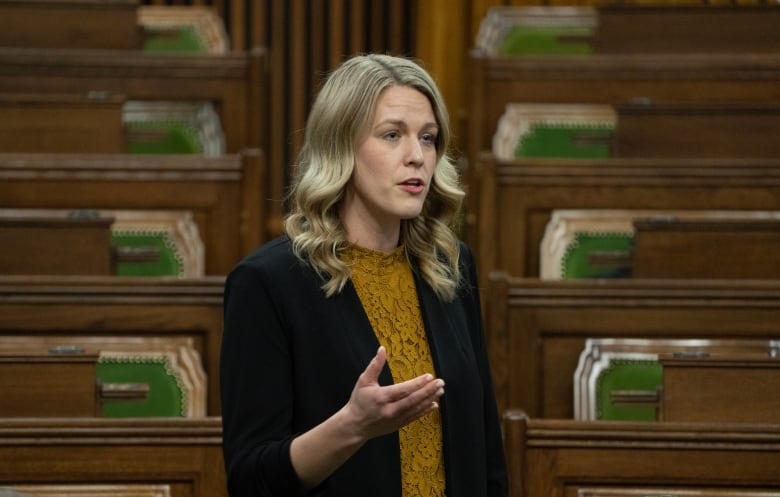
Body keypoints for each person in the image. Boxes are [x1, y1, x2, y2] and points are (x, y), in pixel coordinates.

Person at [220, 53, 508, 497]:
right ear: (341, 146)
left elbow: (487, 454)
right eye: (392, 135)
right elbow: (251, 478)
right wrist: (352, 426)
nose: (417, 156)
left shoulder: (449, 267)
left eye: (428, 138)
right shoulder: (268, 283)